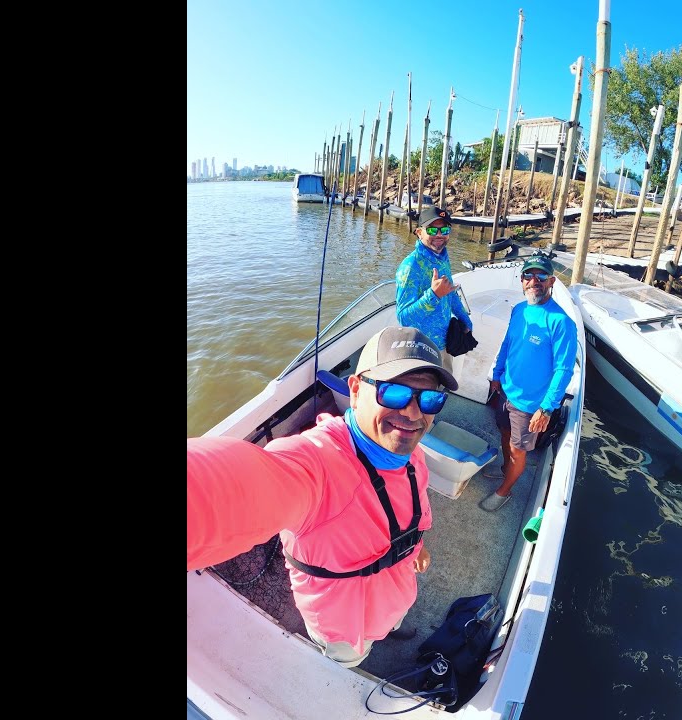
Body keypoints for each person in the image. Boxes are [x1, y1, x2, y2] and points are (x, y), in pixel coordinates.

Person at [187, 325, 459, 667]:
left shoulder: (411, 456)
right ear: (356, 390)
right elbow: (225, 486)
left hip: (396, 593)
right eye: (394, 393)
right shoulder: (317, 463)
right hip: (345, 627)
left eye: (430, 398)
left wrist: (416, 548)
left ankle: (389, 628)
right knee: (348, 662)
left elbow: (411, 512)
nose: (413, 413)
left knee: (392, 621)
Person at [479, 257, 578, 512]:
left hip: (530, 404)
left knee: (517, 450)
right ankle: (505, 470)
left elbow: (564, 369)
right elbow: (507, 345)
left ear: (552, 282)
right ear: (522, 281)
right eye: (528, 276)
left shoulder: (562, 322)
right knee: (503, 434)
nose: (535, 281)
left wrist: (546, 408)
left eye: (541, 277)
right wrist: (497, 376)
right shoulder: (519, 310)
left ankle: (505, 491)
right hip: (506, 392)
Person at [395, 205, 474, 358]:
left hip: (445, 344)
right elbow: (404, 318)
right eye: (431, 230)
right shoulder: (410, 266)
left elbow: (450, 293)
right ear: (419, 233)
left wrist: (466, 321)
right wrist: (434, 295)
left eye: (444, 230)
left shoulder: (442, 257)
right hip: (422, 350)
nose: (439, 235)